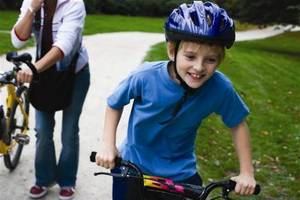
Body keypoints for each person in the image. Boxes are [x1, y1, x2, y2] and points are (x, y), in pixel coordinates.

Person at [96, 1, 256, 200]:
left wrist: (247, 172)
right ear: (172, 51)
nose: (199, 67)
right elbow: (114, 104)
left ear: (220, 61)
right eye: (190, 56)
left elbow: (238, 124)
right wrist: (107, 144)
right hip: (133, 166)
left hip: (181, 175)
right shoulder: (146, 76)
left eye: (210, 60)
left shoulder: (219, 88)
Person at [11, 0, 90, 199]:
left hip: (74, 73)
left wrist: (33, 68)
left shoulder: (74, 3)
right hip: (44, 73)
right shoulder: (32, 1)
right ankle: (44, 179)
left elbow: (63, 46)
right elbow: (18, 40)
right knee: (43, 131)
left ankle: (67, 180)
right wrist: (31, 9)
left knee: (69, 131)